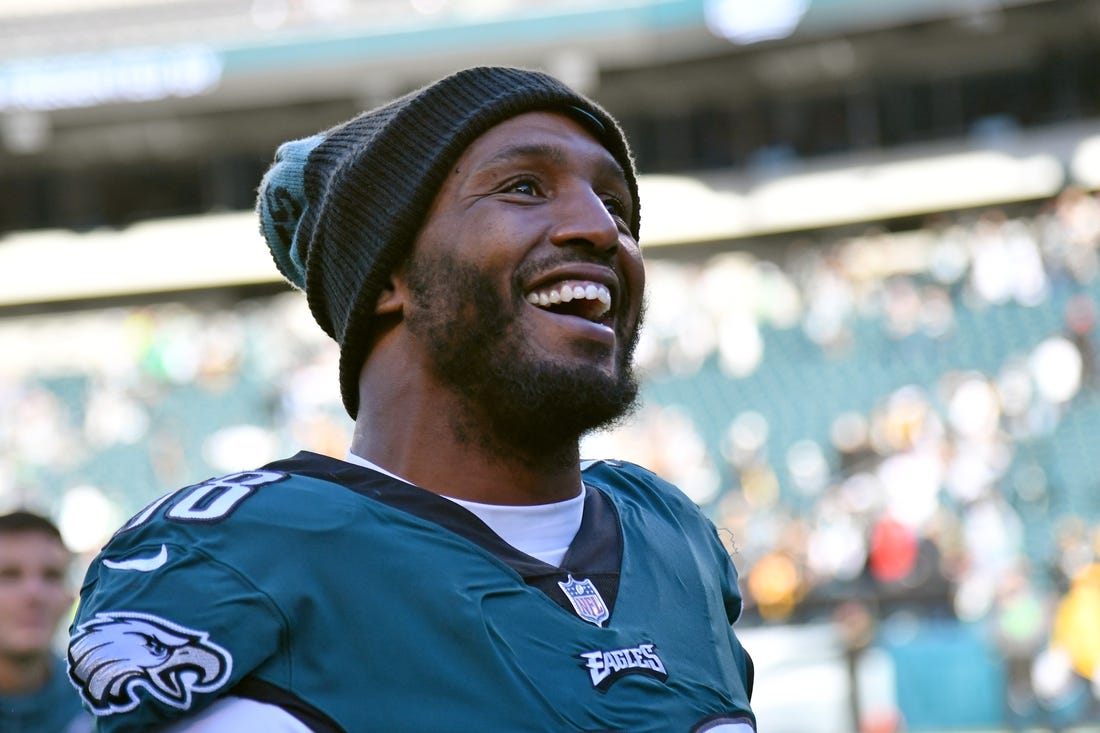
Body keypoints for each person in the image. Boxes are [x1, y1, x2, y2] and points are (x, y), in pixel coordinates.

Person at [67, 66, 756, 732]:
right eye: (523, 187)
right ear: (388, 274)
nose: (604, 230)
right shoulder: (251, 556)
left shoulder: (672, 538)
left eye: (615, 204)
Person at [0, 511, 91, 733]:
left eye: (52, 576)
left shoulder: (102, 703)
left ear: (70, 598)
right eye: (9, 575)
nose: (34, 594)